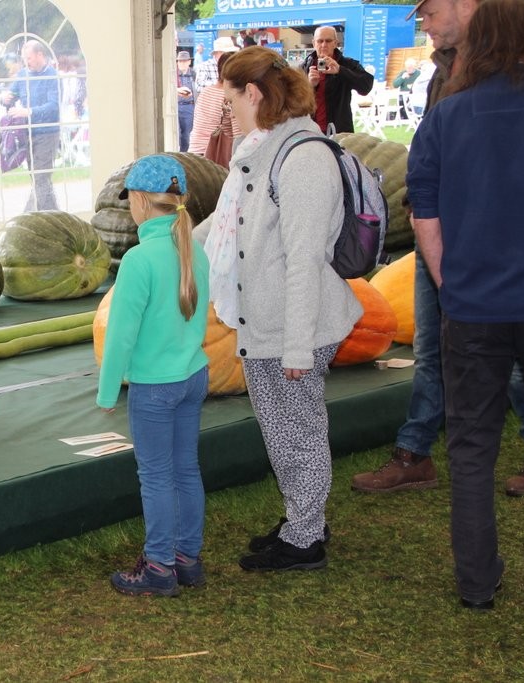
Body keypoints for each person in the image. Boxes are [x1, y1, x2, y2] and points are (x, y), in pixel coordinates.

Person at [350, 0, 524, 495]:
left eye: (430, 14)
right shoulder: (441, 75)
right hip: (441, 238)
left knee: (513, 359)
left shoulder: (512, 73)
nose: (424, 26)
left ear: (468, 7)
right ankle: (415, 452)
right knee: (431, 351)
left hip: (495, 247)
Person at [193, 46, 362, 572]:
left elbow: (305, 260)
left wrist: (296, 346)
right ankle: (302, 518)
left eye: (232, 101)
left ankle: (306, 537)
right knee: (281, 427)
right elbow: (234, 223)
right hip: (265, 317)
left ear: (256, 94)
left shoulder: (304, 158)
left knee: (297, 429)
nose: (229, 113)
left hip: (296, 324)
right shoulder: (261, 147)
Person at [405, 0, 524, 609]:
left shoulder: (446, 116)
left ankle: (477, 582)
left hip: (473, 303)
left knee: (473, 446)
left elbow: (422, 208)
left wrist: (447, 281)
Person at [97, 154, 211, 597]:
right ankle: (188, 558)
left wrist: (108, 392)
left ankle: (159, 567)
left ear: (142, 201)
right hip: (193, 377)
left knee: (157, 476)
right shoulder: (194, 250)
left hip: (155, 389)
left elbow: (121, 335)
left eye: (130, 200)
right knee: (186, 468)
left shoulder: (138, 260)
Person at [2, 40, 60, 211]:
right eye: (24, 58)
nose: (26, 61)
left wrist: (29, 112)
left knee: (41, 178)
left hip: (48, 133)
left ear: (40, 55)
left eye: (29, 58)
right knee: (39, 180)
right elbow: (11, 96)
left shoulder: (52, 76)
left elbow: (54, 106)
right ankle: (57, 218)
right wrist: (4, 99)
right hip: (27, 134)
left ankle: (25, 219)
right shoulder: (22, 75)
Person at [302, 26, 374, 133]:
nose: (324, 45)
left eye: (328, 41)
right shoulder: (304, 67)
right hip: (311, 131)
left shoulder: (347, 64)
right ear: (314, 43)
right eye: (320, 41)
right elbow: (293, 102)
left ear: (335, 43)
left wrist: (340, 70)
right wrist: (309, 86)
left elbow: (366, 87)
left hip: (340, 131)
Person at [189, 52, 243, 156]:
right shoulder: (230, 96)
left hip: (194, 152)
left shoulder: (205, 92)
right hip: (214, 154)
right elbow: (238, 137)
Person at [176, 51, 195, 152]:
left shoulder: (193, 73)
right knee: (177, 133)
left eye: (184, 61)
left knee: (186, 134)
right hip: (177, 105)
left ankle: (184, 153)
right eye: (180, 61)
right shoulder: (174, 74)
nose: (182, 63)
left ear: (189, 62)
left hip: (189, 107)